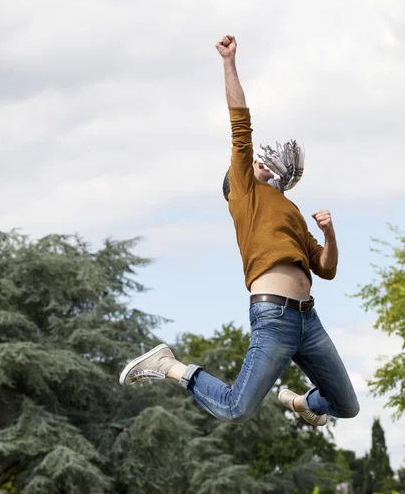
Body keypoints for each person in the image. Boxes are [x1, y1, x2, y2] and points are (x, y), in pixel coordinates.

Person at [119, 35, 359, 427]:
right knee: (235, 408)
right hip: (274, 317)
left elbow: (326, 268)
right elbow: (240, 124)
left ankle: (302, 403)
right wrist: (229, 62)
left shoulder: (289, 209)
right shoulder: (245, 195)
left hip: (308, 320)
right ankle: (169, 366)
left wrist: (330, 234)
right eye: (247, 167)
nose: (260, 164)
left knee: (346, 406)